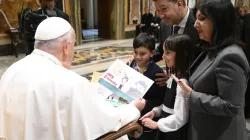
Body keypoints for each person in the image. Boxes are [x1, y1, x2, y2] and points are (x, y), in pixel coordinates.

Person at [0, 17, 146, 140]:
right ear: (66, 46)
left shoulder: (11, 71)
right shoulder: (70, 83)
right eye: (74, 46)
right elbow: (106, 122)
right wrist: (132, 109)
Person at [173, 0, 250, 140]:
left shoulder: (230, 56)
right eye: (196, 18)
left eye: (202, 19)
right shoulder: (211, 48)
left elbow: (231, 105)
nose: (196, 24)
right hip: (205, 129)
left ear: (219, 22)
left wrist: (191, 95)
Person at [140, 34, 194, 140]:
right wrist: (155, 112)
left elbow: (180, 118)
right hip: (166, 128)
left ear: (181, 55)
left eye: (168, 52)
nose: (163, 56)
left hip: (174, 134)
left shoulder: (182, 82)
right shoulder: (172, 76)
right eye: (164, 52)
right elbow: (169, 105)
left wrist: (157, 125)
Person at [152, 0, 201, 87]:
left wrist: (175, 77)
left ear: (179, 3)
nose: (161, 16)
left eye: (164, 9)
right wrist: (145, 56)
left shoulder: (200, 23)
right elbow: (161, 50)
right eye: (158, 11)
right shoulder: (164, 24)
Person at [128, 33, 166, 140]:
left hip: (146, 119)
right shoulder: (131, 65)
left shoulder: (157, 73)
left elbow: (161, 99)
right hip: (130, 117)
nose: (138, 57)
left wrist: (146, 103)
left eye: (142, 54)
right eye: (135, 52)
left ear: (152, 53)